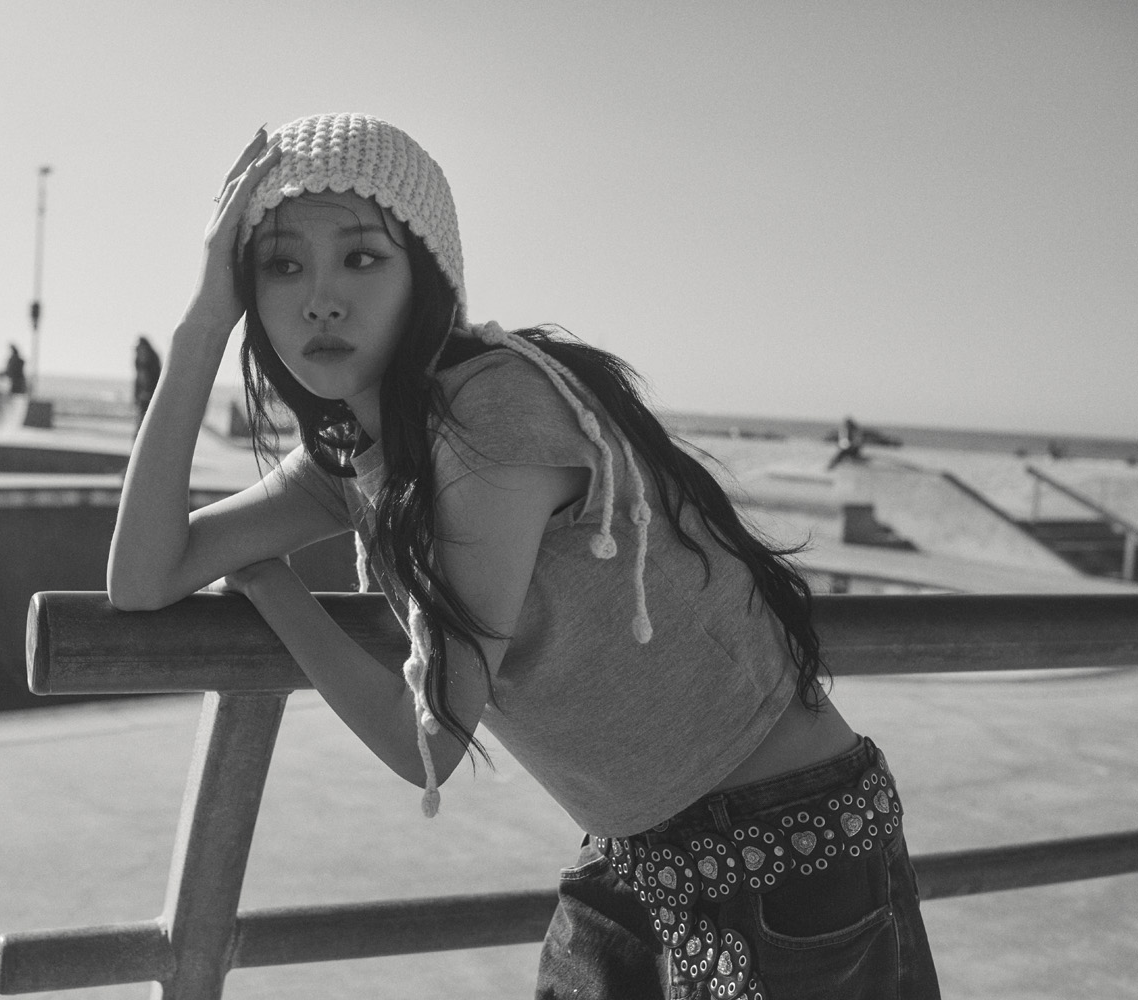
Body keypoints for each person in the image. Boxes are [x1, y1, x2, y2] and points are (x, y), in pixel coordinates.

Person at [107, 114, 939, 998]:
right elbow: (143, 576)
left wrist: (272, 586)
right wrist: (203, 324)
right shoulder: (359, 457)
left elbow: (427, 744)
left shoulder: (489, 419)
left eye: (361, 258)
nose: (320, 298)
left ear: (428, 276)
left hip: (792, 854)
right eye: (281, 267)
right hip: (640, 854)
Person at [133, 335, 163, 431]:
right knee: (141, 425)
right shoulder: (139, 362)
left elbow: (154, 379)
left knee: (147, 425)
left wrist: (148, 393)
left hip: (150, 396)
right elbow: (138, 380)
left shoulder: (151, 361)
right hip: (143, 397)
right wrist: (137, 396)